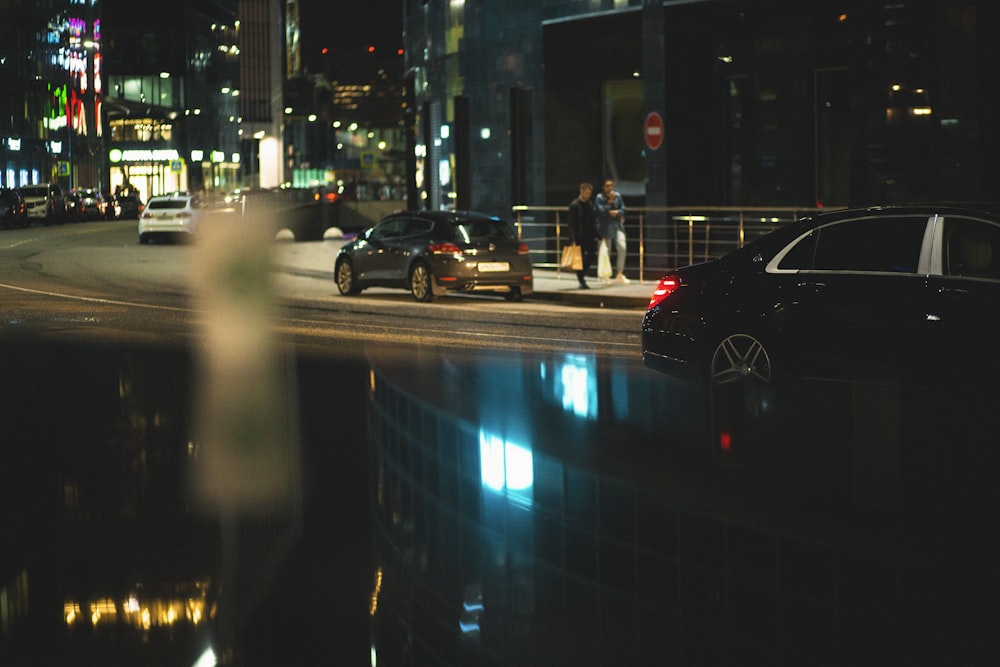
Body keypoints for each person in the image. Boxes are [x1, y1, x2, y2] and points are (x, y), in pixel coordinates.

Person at [594, 178, 629, 284]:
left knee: (622, 247)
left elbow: (623, 209)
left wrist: (617, 212)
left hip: (617, 225)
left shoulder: (617, 196)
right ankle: (606, 275)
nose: (610, 188)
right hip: (605, 227)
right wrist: (609, 202)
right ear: (603, 187)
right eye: (607, 186)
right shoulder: (599, 197)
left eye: (611, 185)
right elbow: (599, 210)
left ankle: (619, 273)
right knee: (606, 251)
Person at [567, 182, 599, 289]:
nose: (588, 195)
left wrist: (597, 235)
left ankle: (581, 276)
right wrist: (573, 239)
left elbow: (592, 221)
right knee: (580, 259)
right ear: (581, 191)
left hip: (589, 235)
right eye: (586, 193)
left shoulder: (589, 204)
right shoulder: (574, 205)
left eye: (589, 193)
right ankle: (581, 279)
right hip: (579, 236)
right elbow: (571, 223)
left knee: (591, 257)